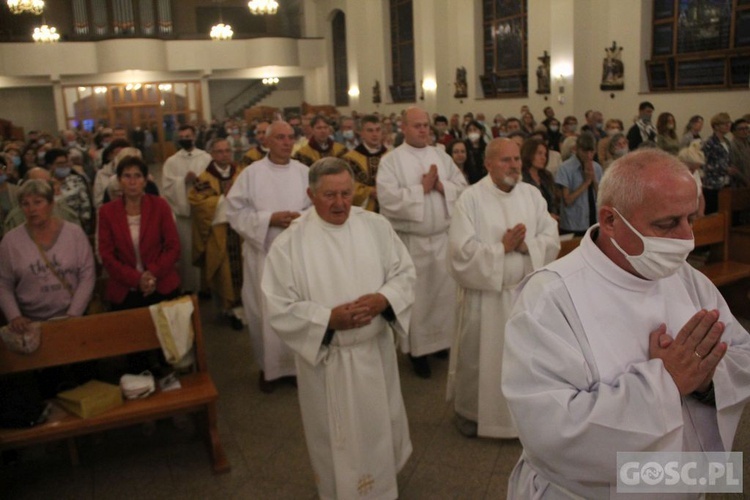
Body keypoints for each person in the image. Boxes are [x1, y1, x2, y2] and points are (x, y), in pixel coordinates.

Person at [502, 149, 750, 498]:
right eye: (666, 224)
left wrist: (707, 379)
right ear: (610, 220)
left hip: (681, 481)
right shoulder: (550, 298)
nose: (685, 239)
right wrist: (667, 382)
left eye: (690, 219)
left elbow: (740, 352)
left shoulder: (686, 277)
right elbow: (550, 431)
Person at [261, 157, 416, 500]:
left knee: (378, 430)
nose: (341, 203)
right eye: (330, 195)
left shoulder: (375, 226)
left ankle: (383, 488)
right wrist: (327, 320)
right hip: (328, 361)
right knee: (336, 438)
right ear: (310, 194)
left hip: (373, 353)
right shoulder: (291, 243)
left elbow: (404, 273)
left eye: (347, 193)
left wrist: (383, 299)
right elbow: (278, 306)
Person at [447, 139, 559, 439]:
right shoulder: (470, 199)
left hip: (523, 295)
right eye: (506, 160)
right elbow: (460, 253)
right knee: (480, 359)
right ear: (488, 164)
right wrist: (501, 248)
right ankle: (473, 414)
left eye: (516, 160)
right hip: (486, 298)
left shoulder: (532, 195)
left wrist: (525, 246)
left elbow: (552, 238)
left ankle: (523, 419)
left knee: (524, 361)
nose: (514, 166)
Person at [377, 106, 468, 378]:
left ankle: (440, 343)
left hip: (441, 239)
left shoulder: (441, 156)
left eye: (426, 125)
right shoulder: (391, 161)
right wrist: (422, 190)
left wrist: (442, 187)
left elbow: (463, 188)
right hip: (412, 243)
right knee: (416, 300)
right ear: (403, 128)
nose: (423, 130)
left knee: (442, 297)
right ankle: (417, 351)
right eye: (417, 125)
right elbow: (388, 199)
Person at [226, 121, 311, 393]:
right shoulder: (251, 174)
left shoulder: (304, 172)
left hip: (297, 254)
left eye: (290, 138)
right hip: (263, 253)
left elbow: (316, 207)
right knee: (263, 312)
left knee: (297, 310)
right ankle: (269, 368)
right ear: (267, 141)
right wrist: (269, 219)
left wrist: (300, 218)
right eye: (280, 138)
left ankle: (297, 367)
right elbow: (234, 213)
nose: (287, 143)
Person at [0, 179, 95, 330]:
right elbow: (4, 283)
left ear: (51, 204)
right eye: (25, 204)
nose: (32, 209)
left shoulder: (74, 233)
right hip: (30, 322)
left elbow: (87, 274)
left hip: (72, 316)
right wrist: (15, 316)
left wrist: (74, 314)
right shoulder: (10, 241)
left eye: (38, 202)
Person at [98, 156, 181, 310]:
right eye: (127, 176)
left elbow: (173, 247)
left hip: (161, 282)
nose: (132, 182)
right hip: (125, 287)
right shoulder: (107, 212)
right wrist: (137, 279)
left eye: (137, 176)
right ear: (119, 181)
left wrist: (152, 273)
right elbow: (107, 255)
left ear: (145, 180)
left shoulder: (160, 206)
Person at [189, 138, 245, 329]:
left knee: (246, 270)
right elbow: (198, 205)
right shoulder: (203, 178)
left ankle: (246, 306)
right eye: (220, 151)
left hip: (241, 233)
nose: (224, 155)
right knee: (224, 273)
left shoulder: (241, 174)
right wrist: (223, 199)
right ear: (212, 154)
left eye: (227, 151)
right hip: (219, 233)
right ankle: (230, 309)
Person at [161, 124, 211, 293]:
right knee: (187, 250)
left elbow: (212, 180)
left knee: (206, 248)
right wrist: (182, 181)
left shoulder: (205, 158)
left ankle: (206, 286)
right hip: (184, 215)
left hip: (203, 212)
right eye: (182, 137)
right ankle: (188, 287)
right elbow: (167, 185)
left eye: (188, 136)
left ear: (194, 137)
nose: (185, 139)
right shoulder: (172, 161)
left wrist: (198, 181)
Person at [555, 132, 603, 235]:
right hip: (573, 225)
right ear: (577, 149)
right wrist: (586, 183)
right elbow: (567, 200)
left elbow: (601, 197)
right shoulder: (566, 168)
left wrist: (593, 180)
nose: (589, 156)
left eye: (592, 151)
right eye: (585, 152)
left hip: (593, 222)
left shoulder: (597, 168)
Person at [343, 114, 389, 212]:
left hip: (388, 209)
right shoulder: (350, 158)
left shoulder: (390, 156)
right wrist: (369, 191)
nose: (375, 134)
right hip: (363, 211)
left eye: (378, 130)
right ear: (361, 133)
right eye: (370, 130)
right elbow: (346, 186)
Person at [46, 149, 94, 235]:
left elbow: (85, 204)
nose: (64, 166)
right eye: (60, 164)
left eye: (66, 163)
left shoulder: (76, 180)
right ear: (50, 166)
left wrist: (83, 223)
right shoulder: (45, 184)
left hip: (75, 224)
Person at [701, 112, 734, 214]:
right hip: (712, 184)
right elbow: (703, 162)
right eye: (725, 124)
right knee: (713, 211)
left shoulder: (727, 141)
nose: (728, 126)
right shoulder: (709, 142)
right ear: (716, 126)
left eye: (729, 123)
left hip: (726, 182)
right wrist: (724, 168)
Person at [521, 137, 560, 220]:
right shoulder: (521, 178)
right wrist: (546, 217)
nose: (543, 158)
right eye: (539, 153)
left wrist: (552, 215)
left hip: (550, 224)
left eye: (545, 154)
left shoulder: (547, 176)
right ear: (529, 153)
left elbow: (554, 201)